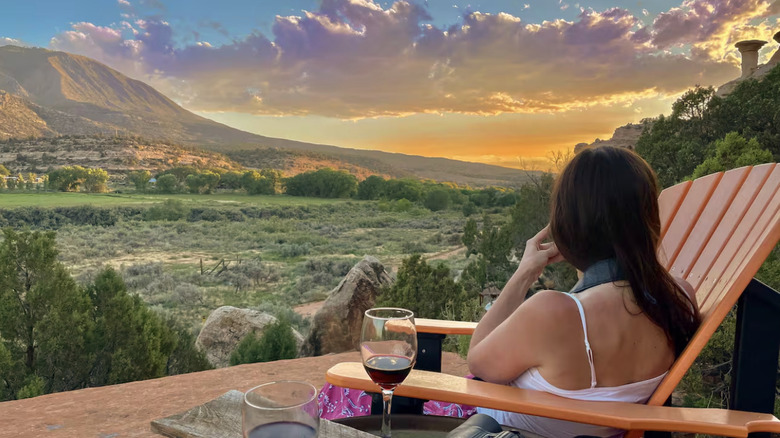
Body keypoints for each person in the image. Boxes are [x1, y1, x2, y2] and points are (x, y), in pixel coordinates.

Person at [469, 146, 701, 438]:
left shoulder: (554, 312)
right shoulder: (680, 298)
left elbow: (478, 363)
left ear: (569, 225)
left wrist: (524, 273)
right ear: (648, 219)